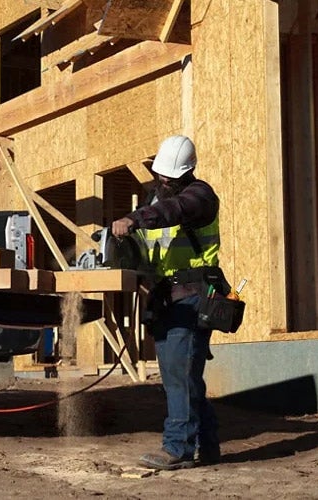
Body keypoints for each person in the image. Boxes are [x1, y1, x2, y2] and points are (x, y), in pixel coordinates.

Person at [110, 135, 222, 470]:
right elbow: (149, 235)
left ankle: (178, 448)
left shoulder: (200, 196)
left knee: (179, 374)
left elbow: (173, 211)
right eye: (161, 175)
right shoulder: (155, 199)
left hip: (192, 296)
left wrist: (135, 220)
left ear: (187, 172)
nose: (164, 181)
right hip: (167, 298)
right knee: (185, 376)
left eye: (170, 177)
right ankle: (206, 445)